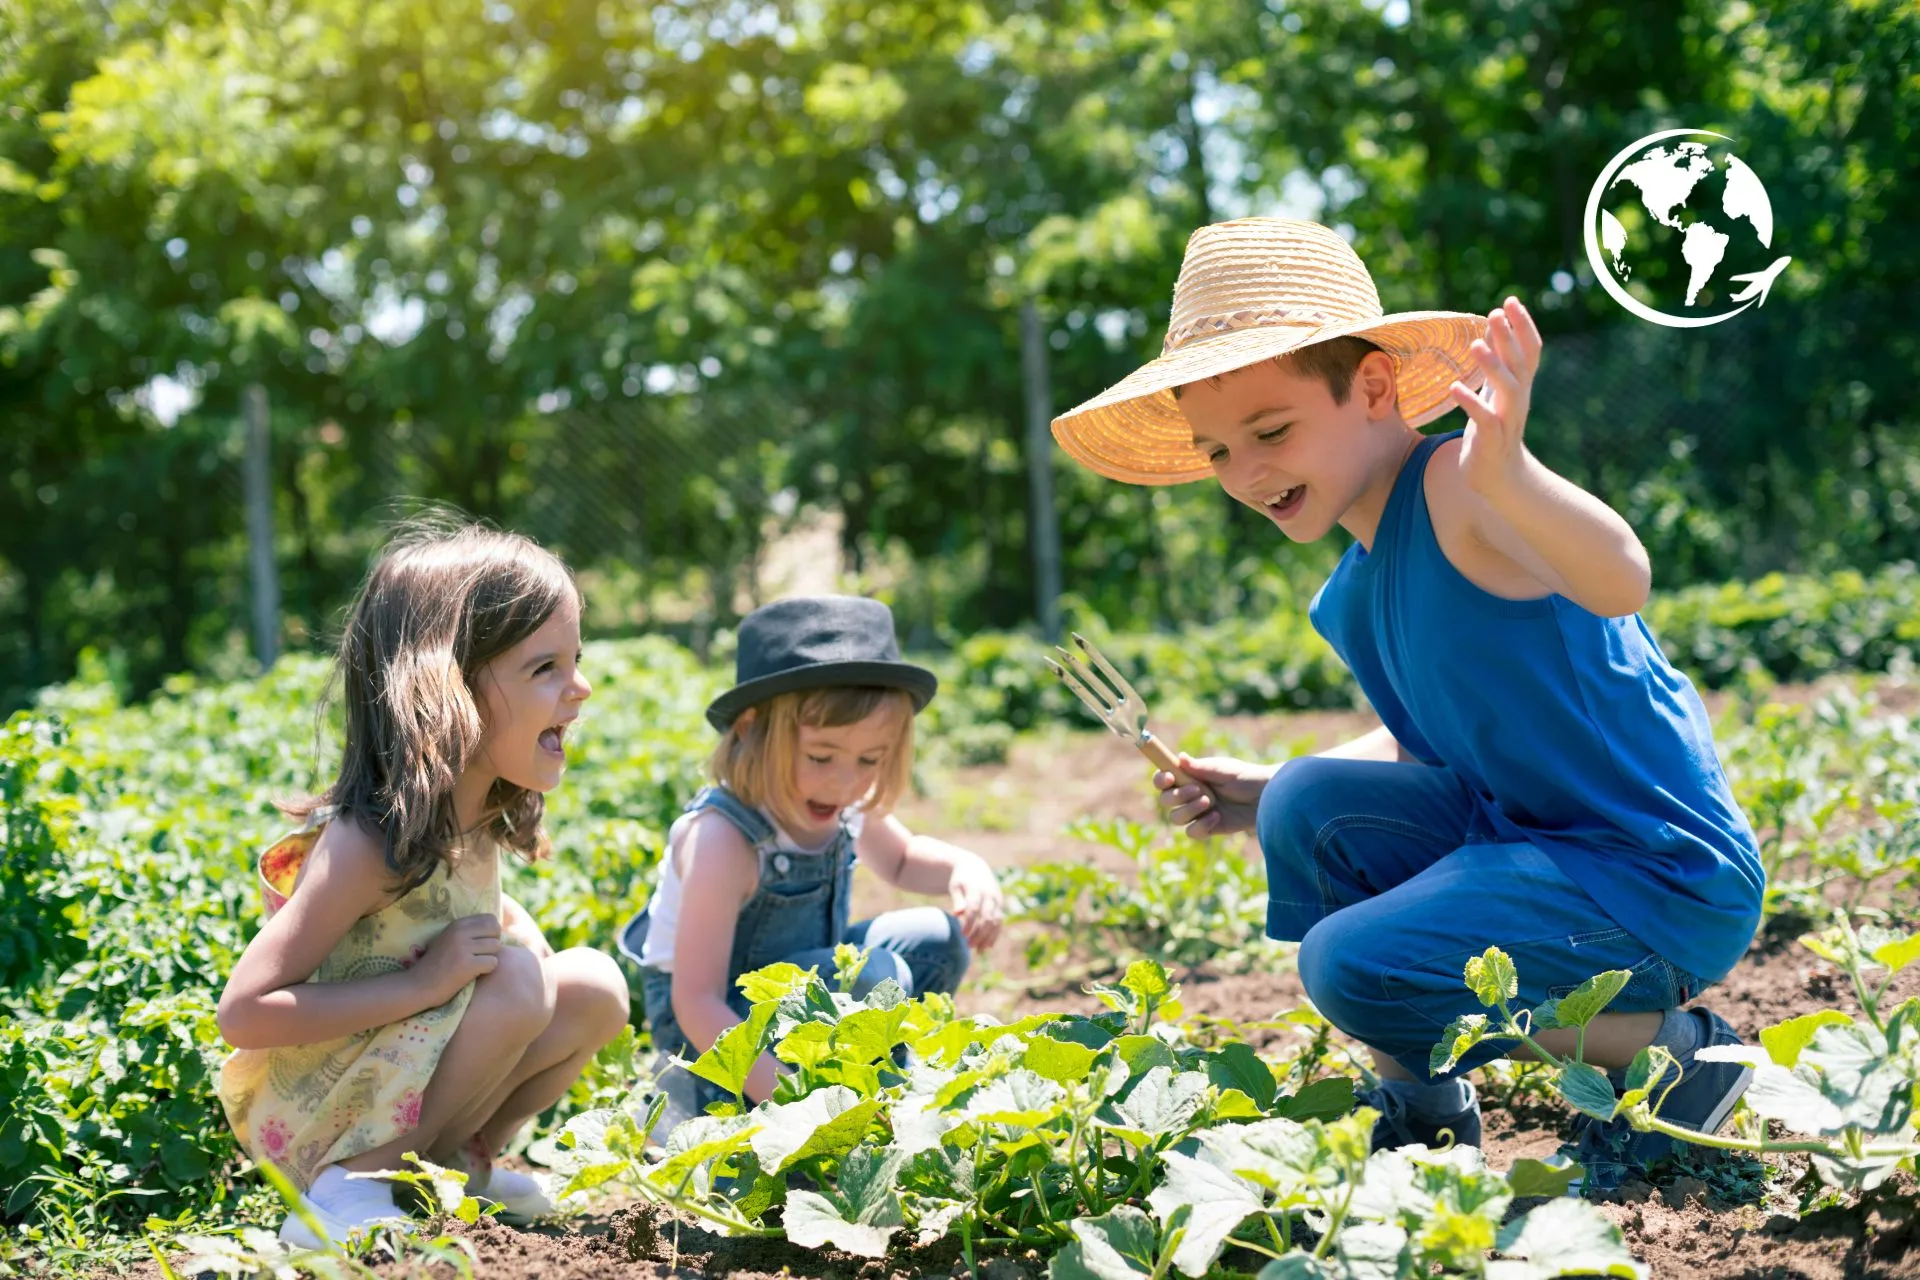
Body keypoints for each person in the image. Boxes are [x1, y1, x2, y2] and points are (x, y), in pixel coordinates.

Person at [1049, 218, 1765, 1186]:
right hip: (1539, 851)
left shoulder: (1461, 489)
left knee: (1351, 964)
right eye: (1217, 451)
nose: (1248, 473)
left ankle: (1676, 1054)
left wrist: (1510, 471)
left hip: (1651, 877)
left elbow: (1623, 577)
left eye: (1271, 431)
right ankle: (1425, 1103)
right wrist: (1260, 790)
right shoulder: (1350, 590)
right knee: (1308, 801)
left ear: (1376, 389)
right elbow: (1431, 738)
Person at [215, 519, 630, 1246]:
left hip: (404, 1080)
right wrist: (421, 986)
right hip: (323, 1112)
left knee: (593, 985)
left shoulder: (477, 811)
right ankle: (346, 1193)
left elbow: (454, 921)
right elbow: (245, 1013)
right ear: (450, 691)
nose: (581, 686)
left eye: (576, 659)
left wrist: (508, 932)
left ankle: (457, 1164)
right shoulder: (367, 843)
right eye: (545, 668)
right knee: (520, 986)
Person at [616, 595, 1004, 1133]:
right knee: (876, 974)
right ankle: (707, 1104)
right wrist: (798, 1106)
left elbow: (903, 859)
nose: (845, 782)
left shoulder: (841, 804)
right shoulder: (722, 840)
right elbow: (696, 1002)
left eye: (870, 760)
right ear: (752, 731)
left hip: (798, 1006)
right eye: (821, 756)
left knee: (938, 938)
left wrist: (967, 868)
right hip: (714, 1039)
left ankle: (870, 1091)